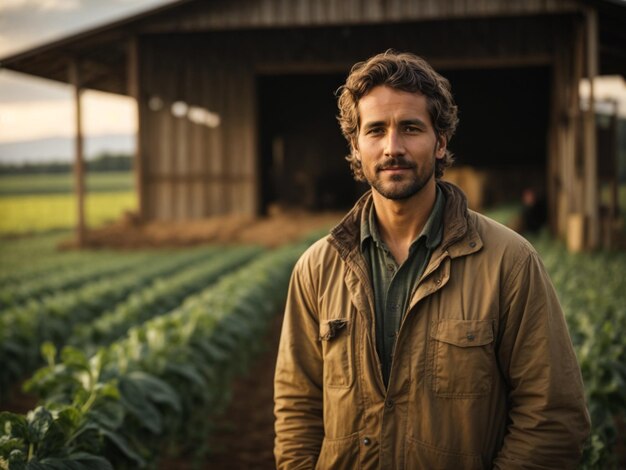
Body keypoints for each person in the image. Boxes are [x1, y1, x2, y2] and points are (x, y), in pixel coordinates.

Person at [274, 50, 590, 469]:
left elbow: (552, 418)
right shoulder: (317, 269)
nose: (392, 148)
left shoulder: (509, 263)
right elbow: (297, 411)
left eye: (410, 128)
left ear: (440, 142)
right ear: (355, 145)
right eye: (375, 131)